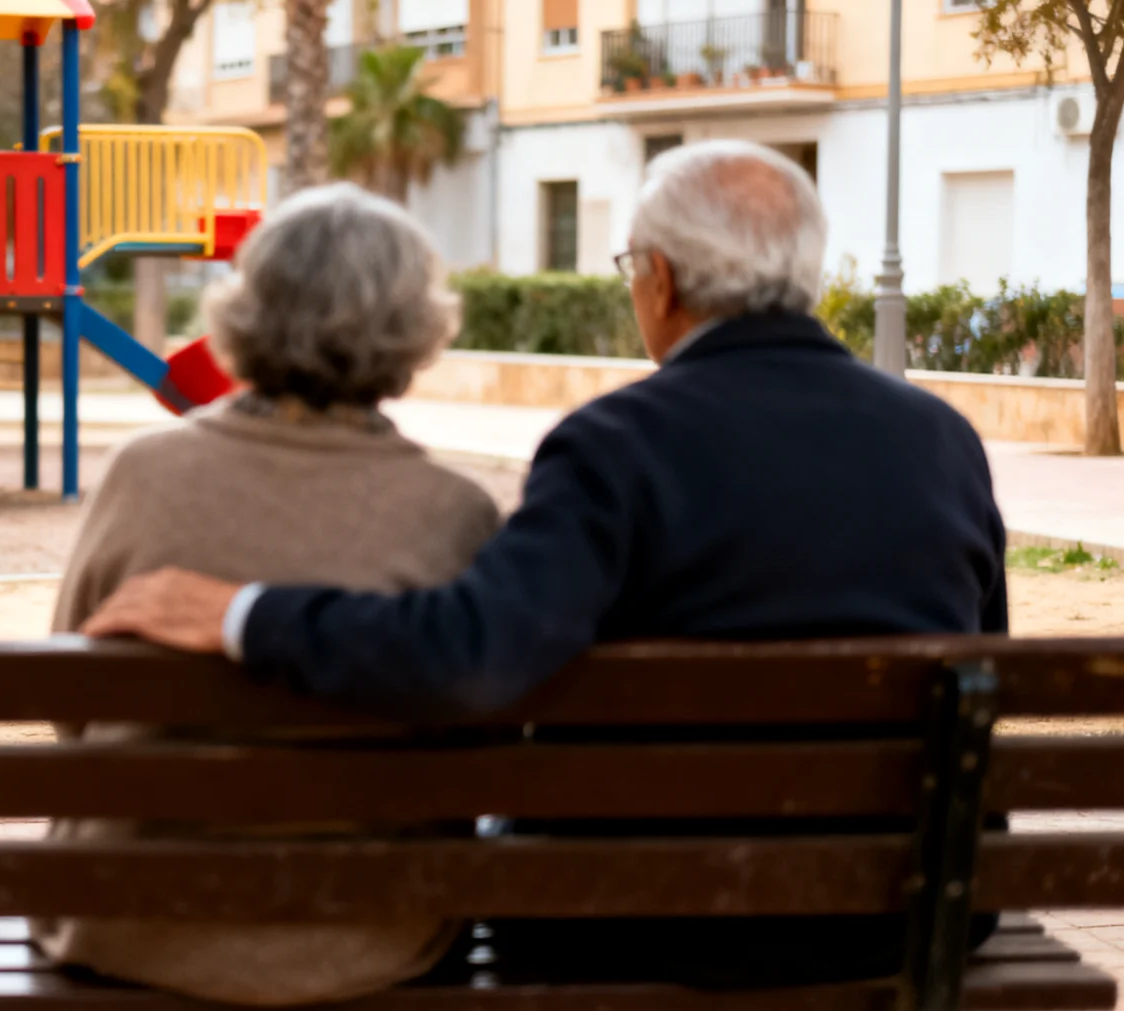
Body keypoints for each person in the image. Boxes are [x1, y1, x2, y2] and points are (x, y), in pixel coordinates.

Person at [81, 140, 1009, 984]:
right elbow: (985, 658)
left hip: (641, 921)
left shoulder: (617, 446)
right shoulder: (941, 439)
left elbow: (477, 655)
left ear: (659, 278)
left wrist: (244, 614)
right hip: (904, 909)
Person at [34, 183, 502, 1006]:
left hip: (130, 920)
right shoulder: (454, 512)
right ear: (416, 328)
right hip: (365, 936)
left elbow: (74, 701)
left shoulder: (145, 473)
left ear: (244, 310)